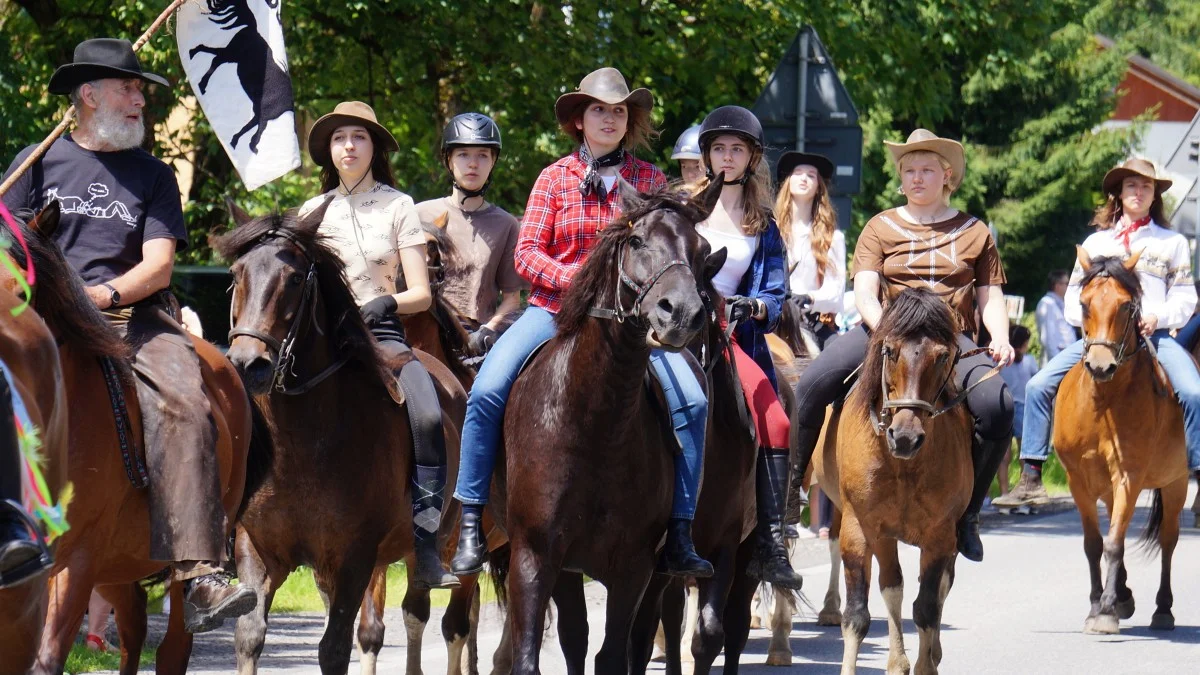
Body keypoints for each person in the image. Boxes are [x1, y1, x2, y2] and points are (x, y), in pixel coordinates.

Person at [1, 38, 254, 629]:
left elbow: (159, 265)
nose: (141, 98)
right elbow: (8, 251)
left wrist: (101, 296)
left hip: (130, 316)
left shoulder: (154, 175)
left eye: (141, 90)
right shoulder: (32, 163)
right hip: (40, 317)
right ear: (88, 96)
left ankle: (199, 568)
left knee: (188, 401)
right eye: (130, 88)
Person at [449, 67, 712, 578]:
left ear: (628, 120)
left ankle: (679, 531)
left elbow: (669, 251)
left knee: (696, 402)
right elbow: (526, 255)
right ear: (579, 119)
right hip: (554, 312)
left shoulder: (651, 181)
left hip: (635, 326)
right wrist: (579, 282)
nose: (609, 118)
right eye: (599, 110)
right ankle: (471, 523)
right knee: (484, 392)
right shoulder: (554, 177)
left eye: (618, 111)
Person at [789, 129, 1014, 562]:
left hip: (950, 339)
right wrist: (886, 331)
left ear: (947, 176)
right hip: (885, 331)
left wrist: (999, 337)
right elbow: (866, 293)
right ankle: (788, 496)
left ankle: (967, 514)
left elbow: (990, 296)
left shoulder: (975, 232)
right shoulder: (880, 227)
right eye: (909, 170)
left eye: (926, 169)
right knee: (815, 381)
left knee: (998, 404)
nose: (916, 178)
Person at [299, 101, 458, 590]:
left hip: (379, 336)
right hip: (318, 340)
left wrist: (385, 303)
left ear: (374, 148)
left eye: (359, 137)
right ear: (329, 150)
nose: (349, 146)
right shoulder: (307, 211)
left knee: (429, 416)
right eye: (340, 138)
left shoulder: (399, 205)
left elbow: (421, 294)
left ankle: (427, 544)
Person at [997, 158, 1200, 507]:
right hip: (1100, 341)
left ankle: (1196, 467)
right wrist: (1094, 326)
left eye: (1146, 187)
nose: (1138, 192)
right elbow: (1073, 299)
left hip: (1153, 338)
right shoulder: (1094, 243)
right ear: (1118, 195)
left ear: (1155, 196)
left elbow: (1185, 297)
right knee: (1037, 385)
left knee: (1193, 392)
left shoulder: (1173, 243)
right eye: (1131, 186)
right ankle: (1031, 474)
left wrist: (1156, 316)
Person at [691, 105, 803, 589]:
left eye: (737, 149)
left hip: (730, 338)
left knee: (777, 421)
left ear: (752, 157)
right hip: (675, 333)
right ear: (707, 155)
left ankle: (770, 543)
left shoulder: (764, 225)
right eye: (719, 148)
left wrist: (751, 307)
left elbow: (776, 299)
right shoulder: (681, 207)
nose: (727, 157)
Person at [416, 113, 527, 354]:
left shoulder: (506, 224)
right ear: (448, 160)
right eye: (464, 154)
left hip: (477, 338)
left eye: (482, 155)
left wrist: (487, 331)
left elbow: (512, 299)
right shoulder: (419, 214)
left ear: (493, 161)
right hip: (424, 332)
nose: (473, 164)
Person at [775, 150, 845, 349]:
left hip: (813, 322)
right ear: (788, 181)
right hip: (773, 321)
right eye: (798, 173)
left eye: (811, 175)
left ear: (818, 187)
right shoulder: (769, 231)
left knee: (842, 367)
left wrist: (809, 298)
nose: (804, 178)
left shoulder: (833, 238)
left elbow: (836, 291)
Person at [996, 325, 1038, 499]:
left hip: (1004, 406)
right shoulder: (1029, 361)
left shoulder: (1001, 361)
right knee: (1024, 454)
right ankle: (1023, 493)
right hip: (1022, 408)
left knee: (1005, 454)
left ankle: (1005, 493)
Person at [1035, 270, 1074, 365]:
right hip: (1056, 360)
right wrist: (1057, 363)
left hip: (1065, 356)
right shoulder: (1047, 303)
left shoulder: (1060, 303)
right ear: (1057, 285)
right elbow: (1048, 338)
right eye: (1067, 283)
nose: (1069, 286)